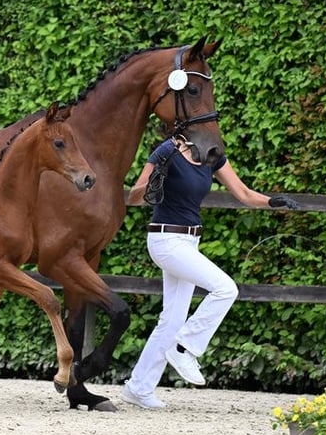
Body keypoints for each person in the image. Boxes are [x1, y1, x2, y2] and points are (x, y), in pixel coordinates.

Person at [121, 135, 299, 409]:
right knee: (226, 288)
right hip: (165, 239)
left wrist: (273, 202)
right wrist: (152, 182)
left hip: (190, 241)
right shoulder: (167, 150)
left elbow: (243, 193)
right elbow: (133, 197)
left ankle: (139, 387)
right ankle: (184, 348)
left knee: (172, 318)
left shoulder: (212, 155)